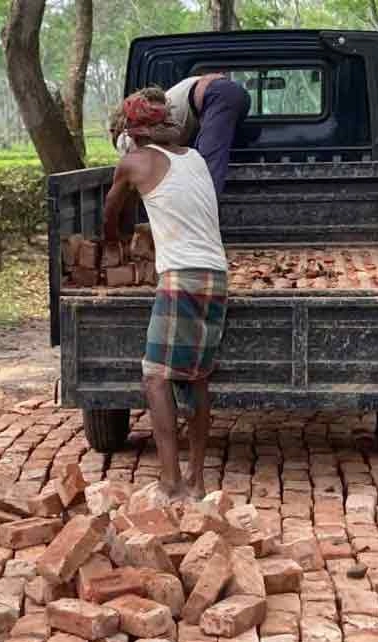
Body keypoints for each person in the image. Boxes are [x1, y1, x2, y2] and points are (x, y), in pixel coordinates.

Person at [103, 88, 230, 501]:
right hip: (215, 274)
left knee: (156, 378)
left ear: (132, 132)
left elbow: (110, 211)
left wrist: (114, 243)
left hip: (182, 278)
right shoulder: (194, 157)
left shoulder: (134, 162)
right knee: (196, 378)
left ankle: (170, 482)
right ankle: (197, 480)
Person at [112, 73, 251, 196]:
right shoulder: (166, 111)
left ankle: (203, 214)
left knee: (207, 173)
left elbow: (139, 162)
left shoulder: (134, 132)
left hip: (218, 94)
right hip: (234, 95)